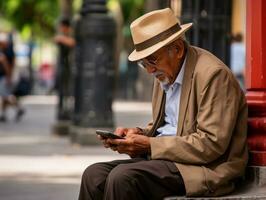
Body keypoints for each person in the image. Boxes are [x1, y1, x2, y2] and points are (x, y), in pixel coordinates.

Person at [78, 8, 248, 199]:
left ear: (177, 49)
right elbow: (167, 127)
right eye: (144, 64)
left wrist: (149, 145)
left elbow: (210, 144)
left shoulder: (213, 75)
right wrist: (138, 134)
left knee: (123, 178)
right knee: (93, 176)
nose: (149, 70)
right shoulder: (164, 73)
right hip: (170, 159)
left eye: (152, 60)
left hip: (205, 167)